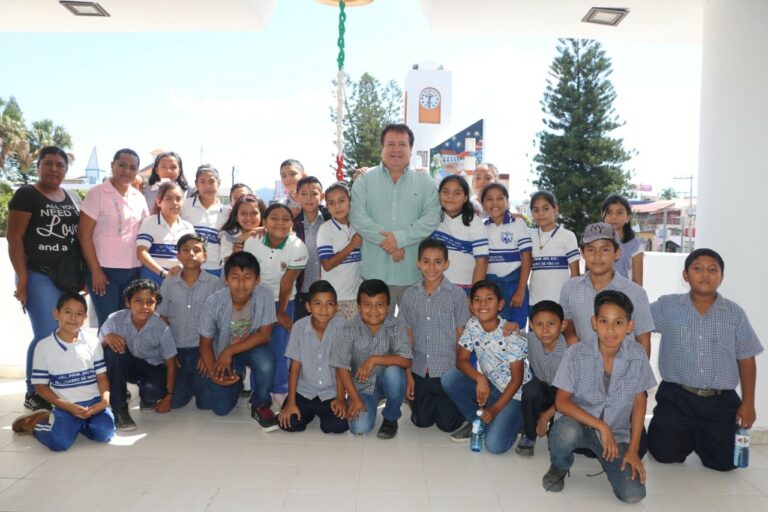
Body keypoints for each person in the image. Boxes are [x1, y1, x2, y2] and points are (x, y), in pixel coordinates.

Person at [647, 248, 763, 471]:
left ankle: (703, 437)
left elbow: (747, 358)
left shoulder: (734, 313)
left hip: (720, 401)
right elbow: (636, 324)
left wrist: (748, 403)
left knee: (726, 464)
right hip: (677, 396)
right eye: (697, 269)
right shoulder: (666, 306)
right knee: (664, 455)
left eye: (713, 270)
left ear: (721, 277)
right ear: (685, 275)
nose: (705, 275)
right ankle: (685, 435)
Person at [543, 290, 656, 504]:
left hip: (616, 433)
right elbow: (561, 402)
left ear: (630, 326)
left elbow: (640, 400)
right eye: (604, 321)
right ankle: (559, 465)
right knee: (565, 432)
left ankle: (610, 461)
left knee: (633, 495)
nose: (610, 330)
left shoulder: (637, 355)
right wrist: (601, 427)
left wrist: (633, 450)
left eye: (618, 323)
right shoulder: (576, 353)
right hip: (578, 424)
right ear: (594, 322)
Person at [7, 146, 81, 411]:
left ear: (65, 170)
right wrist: (23, 280)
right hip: (38, 274)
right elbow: (14, 238)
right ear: (38, 166)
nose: (53, 169)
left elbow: (79, 239)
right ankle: (33, 391)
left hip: (67, 278)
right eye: (47, 163)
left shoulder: (72, 197)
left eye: (59, 165)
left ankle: (55, 388)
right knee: (45, 335)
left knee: (64, 332)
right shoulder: (26, 195)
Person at [349, 123, 441, 314]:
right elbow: (357, 216)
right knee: (374, 335)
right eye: (391, 144)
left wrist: (399, 239)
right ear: (382, 147)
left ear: (410, 149)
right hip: (374, 275)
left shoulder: (425, 182)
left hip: (414, 275)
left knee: (415, 337)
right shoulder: (364, 181)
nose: (396, 149)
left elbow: (432, 218)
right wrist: (388, 242)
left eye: (402, 144)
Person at [11, 292, 115, 451]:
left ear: (85, 318)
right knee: (59, 443)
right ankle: (37, 423)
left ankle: (78, 425)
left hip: (94, 403)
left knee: (104, 434)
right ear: (56, 313)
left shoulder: (93, 342)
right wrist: (66, 406)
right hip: (65, 405)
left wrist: (104, 402)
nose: (73, 317)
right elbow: (41, 387)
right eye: (68, 312)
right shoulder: (43, 347)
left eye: (79, 313)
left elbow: (102, 377)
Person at [441, 280, 531, 453]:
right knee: (450, 378)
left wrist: (495, 410)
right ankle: (479, 420)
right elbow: (461, 360)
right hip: (491, 386)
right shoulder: (473, 325)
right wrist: (480, 378)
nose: (483, 304)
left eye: (489, 299)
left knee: (494, 446)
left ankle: (520, 421)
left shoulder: (510, 333)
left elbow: (517, 379)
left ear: (500, 305)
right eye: (477, 300)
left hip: (514, 395)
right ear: (470, 304)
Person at [198, 252, 278, 430]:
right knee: (220, 409)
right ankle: (235, 381)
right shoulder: (214, 302)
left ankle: (260, 404)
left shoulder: (265, 295)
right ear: (226, 280)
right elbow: (205, 343)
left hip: (250, 348)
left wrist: (231, 351)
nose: (241, 284)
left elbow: (265, 334)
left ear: (257, 279)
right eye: (235, 277)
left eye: (247, 277)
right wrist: (215, 374)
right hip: (223, 353)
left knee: (266, 361)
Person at [400, 239, 470, 433]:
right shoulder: (409, 295)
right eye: (426, 261)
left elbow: (462, 335)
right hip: (420, 369)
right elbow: (407, 337)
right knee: (421, 421)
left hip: (447, 370)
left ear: (446, 264)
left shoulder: (456, 295)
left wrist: (458, 374)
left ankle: (459, 406)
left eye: (438, 262)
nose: (432, 267)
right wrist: (408, 375)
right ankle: (419, 402)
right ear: (418, 263)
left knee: (447, 425)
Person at [329, 279, 412, 439]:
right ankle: (369, 404)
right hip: (362, 387)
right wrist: (353, 398)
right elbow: (341, 366)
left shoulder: (396, 326)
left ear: (388, 307)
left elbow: (406, 360)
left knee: (394, 372)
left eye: (380, 305)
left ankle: (391, 417)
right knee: (359, 428)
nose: (373, 310)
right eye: (367, 305)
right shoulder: (349, 329)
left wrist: (374, 359)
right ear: (359, 308)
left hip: (388, 382)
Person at [243, 203, 308, 406]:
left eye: (285, 219)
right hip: (256, 297)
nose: (280, 222)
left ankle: (280, 390)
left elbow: (287, 282)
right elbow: (251, 276)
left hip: (284, 300)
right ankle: (257, 389)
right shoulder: (252, 241)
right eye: (274, 218)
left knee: (281, 345)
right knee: (258, 344)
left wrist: (280, 312)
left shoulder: (298, 247)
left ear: (292, 224)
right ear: (264, 222)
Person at [560, 223, 654, 356]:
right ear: (582, 253)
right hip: (583, 370)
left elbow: (643, 341)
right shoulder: (569, 288)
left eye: (604, 249)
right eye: (591, 250)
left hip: (624, 373)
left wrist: (639, 374)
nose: (597, 256)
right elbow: (567, 323)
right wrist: (572, 339)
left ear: (617, 253)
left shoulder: (636, 293)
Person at [79, 148, 149, 327]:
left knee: (128, 325)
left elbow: (146, 232)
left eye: (132, 168)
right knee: (108, 326)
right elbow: (84, 235)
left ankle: (123, 357)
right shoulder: (97, 193)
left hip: (133, 271)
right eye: (122, 165)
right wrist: (96, 271)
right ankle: (104, 357)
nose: (127, 171)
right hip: (104, 272)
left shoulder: (139, 197)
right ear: (112, 165)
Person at [100, 279, 178, 431]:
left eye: (150, 302)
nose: (144, 307)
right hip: (124, 364)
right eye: (138, 301)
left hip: (150, 366)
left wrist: (168, 397)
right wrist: (106, 339)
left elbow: (171, 363)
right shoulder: (114, 320)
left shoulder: (161, 327)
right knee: (112, 350)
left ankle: (146, 397)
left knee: (154, 392)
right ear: (128, 303)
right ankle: (119, 407)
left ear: (156, 305)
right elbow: (95, 351)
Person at [157, 234, 222, 409]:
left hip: (202, 350)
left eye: (196, 250)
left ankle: (200, 384)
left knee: (206, 404)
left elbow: (220, 322)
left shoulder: (215, 283)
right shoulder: (169, 283)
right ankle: (188, 384)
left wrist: (208, 353)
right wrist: (169, 352)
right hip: (176, 351)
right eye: (185, 250)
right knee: (176, 402)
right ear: (178, 256)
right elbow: (162, 319)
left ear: (205, 256)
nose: (191, 254)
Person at [278, 280, 348, 434]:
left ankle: (320, 412)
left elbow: (341, 366)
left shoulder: (341, 326)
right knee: (289, 424)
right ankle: (306, 411)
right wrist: (291, 402)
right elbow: (295, 368)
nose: (324, 309)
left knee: (338, 426)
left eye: (329, 304)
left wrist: (340, 399)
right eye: (317, 304)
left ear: (336, 307)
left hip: (330, 392)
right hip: (304, 391)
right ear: (308, 307)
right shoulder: (299, 327)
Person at [516, 300, 568, 457]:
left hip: (566, 397)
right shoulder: (530, 340)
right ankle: (529, 435)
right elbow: (514, 335)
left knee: (560, 443)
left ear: (562, 325)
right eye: (539, 324)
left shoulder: (571, 350)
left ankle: (549, 420)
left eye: (551, 324)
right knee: (531, 388)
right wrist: (511, 327)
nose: (545, 330)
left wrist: (546, 416)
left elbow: (573, 393)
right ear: (531, 326)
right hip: (544, 392)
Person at [482, 183, 532, 328]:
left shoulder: (518, 224)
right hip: (491, 288)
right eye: (489, 199)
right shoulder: (481, 227)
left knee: (516, 330)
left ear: (507, 201)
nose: (495, 203)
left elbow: (527, 258)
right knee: (492, 330)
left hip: (515, 285)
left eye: (500, 198)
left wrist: (521, 290)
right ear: (483, 203)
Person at [430, 175, 488, 291]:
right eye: (445, 192)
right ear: (439, 194)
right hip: (435, 286)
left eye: (457, 193)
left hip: (464, 288)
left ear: (466, 197)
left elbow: (482, 262)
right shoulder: (432, 219)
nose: (450, 197)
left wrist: (473, 294)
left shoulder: (475, 223)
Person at [317, 182, 362, 320]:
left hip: (357, 296)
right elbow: (327, 264)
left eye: (341, 201)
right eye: (331, 203)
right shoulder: (325, 229)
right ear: (327, 207)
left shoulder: (359, 226)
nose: (337, 206)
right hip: (334, 298)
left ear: (350, 201)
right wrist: (352, 245)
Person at [136, 181, 195, 285]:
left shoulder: (188, 227)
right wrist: (163, 273)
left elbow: (191, 255)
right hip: (152, 276)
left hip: (179, 278)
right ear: (159, 202)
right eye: (169, 199)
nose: (175, 202)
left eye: (178, 199)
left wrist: (181, 267)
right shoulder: (150, 222)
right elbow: (141, 252)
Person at [528, 191, 580, 306]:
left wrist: (571, 301)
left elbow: (575, 274)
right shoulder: (529, 236)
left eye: (545, 208)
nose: (541, 213)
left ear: (556, 209)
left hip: (560, 302)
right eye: (536, 210)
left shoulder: (568, 236)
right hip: (534, 301)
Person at [292, 176, 331, 322]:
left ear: (322, 196)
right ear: (297, 196)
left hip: (330, 289)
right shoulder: (292, 224)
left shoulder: (331, 219)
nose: (309, 198)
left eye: (314, 193)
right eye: (303, 193)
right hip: (302, 292)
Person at [182, 164, 230, 276]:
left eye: (211, 181)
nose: (207, 186)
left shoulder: (226, 212)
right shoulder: (185, 206)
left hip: (215, 269)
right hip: (188, 267)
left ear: (219, 183)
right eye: (202, 182)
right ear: (196, 184)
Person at [602, 194, 644, 286]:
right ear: (603, 216)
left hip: (623, 298)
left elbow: (638, 284)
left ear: (628, 217)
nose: (613, 217)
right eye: (609, 212)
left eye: (619, 213)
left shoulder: (635, 245)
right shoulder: (595, 242)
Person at [219, 194, 266, 262]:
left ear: (261, 215)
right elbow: (226, 262)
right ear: (237, 217)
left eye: (254, 213)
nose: (248, 218)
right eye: (243, 213)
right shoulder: (228, 235)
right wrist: (241, 239)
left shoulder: (268, 234)